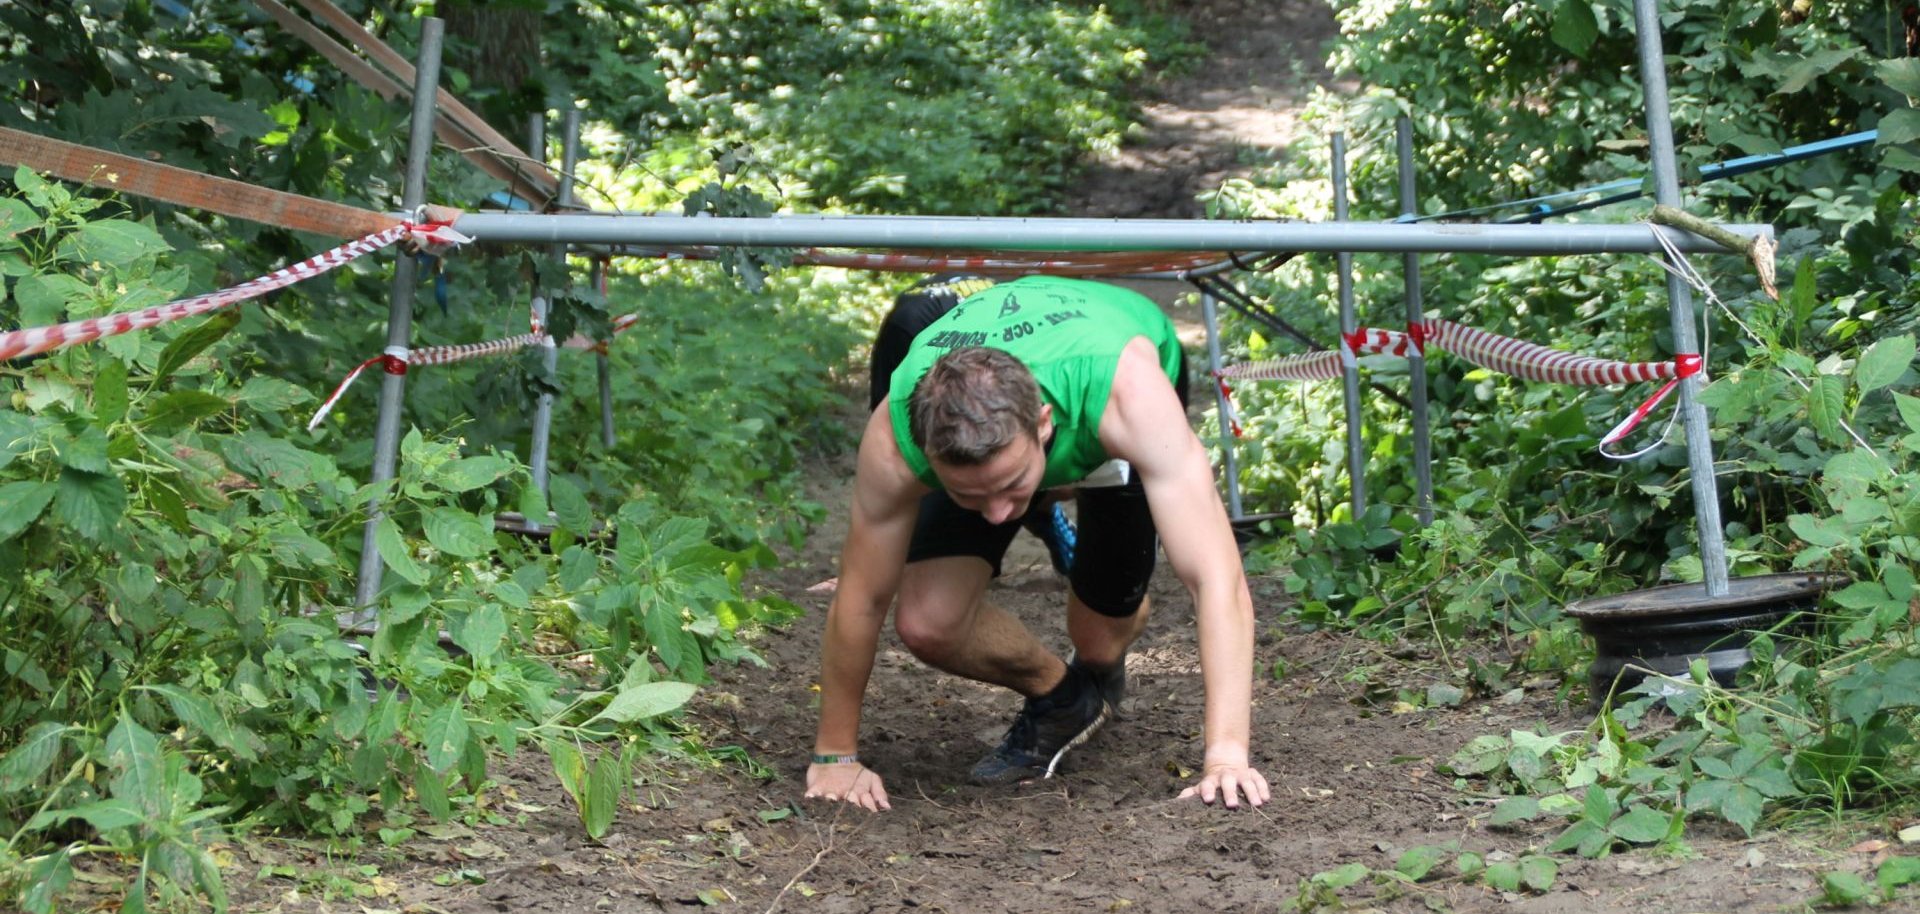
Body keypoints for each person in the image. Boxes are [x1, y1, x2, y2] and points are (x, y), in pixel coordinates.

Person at [805, 274, 1268, 812]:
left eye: (1010, 486)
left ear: (1044, 425)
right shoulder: (895, 438)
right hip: (1026, 415)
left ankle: (1115, 615)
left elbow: (1216, 577)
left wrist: (1227, 757)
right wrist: (835, 757)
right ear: (929, 456)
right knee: (928, 622)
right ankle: (1064, 699)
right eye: (970, 493)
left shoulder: (1131, 396)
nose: (1001, 514)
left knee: (1098, 641)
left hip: (1104, 393)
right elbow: (861, 596)